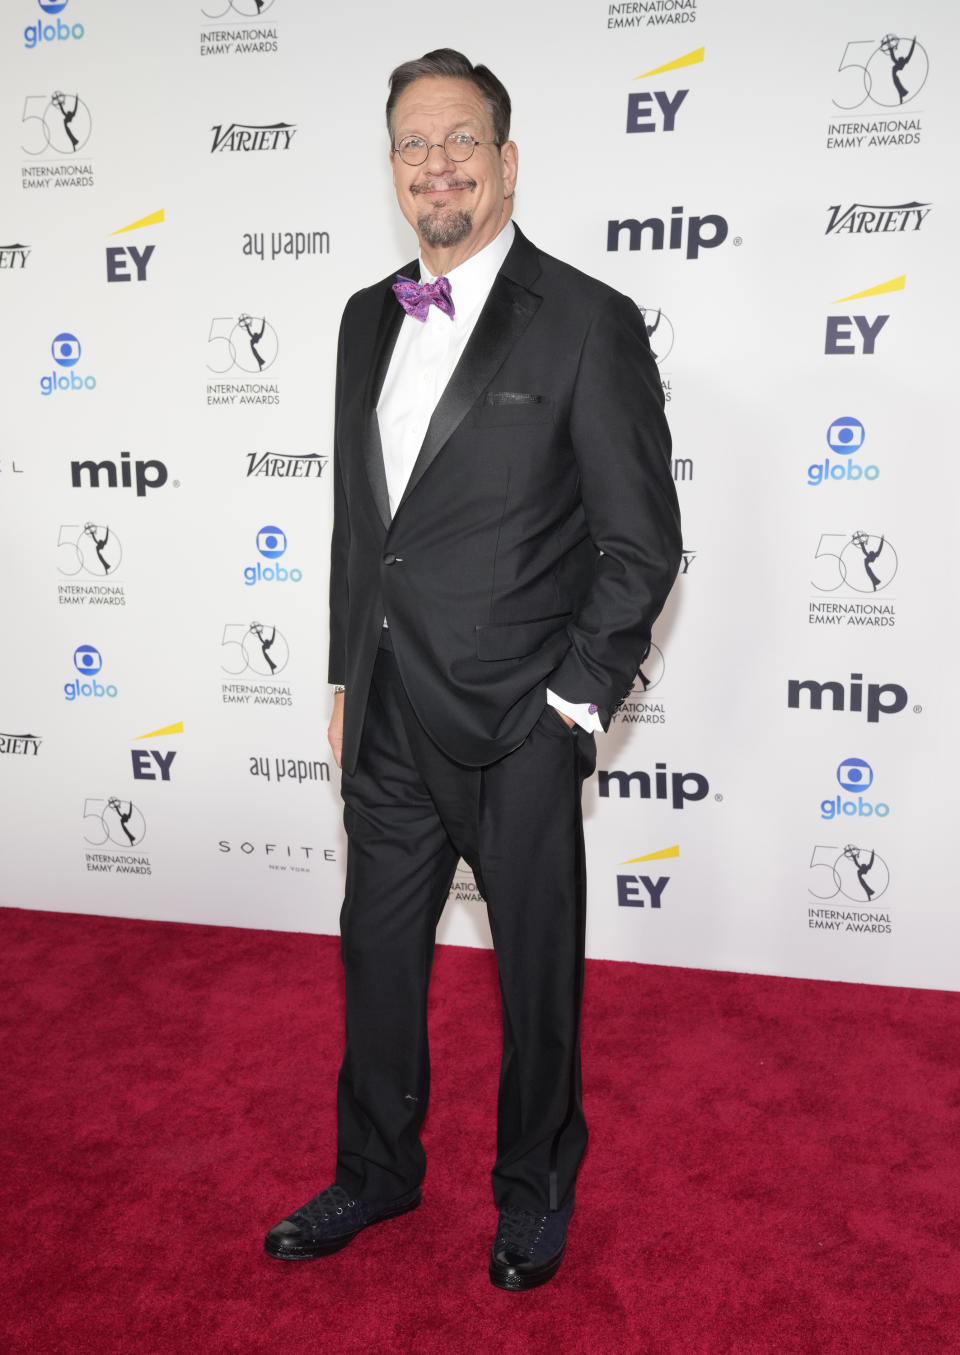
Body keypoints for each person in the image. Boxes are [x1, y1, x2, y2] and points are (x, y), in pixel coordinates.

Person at [265, 48, 681, 1290]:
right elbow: (362, 525)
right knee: (377, 955)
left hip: (516, 717)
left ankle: (535, 1185)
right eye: (411, 144)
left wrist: (573, 698)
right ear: (392, 166)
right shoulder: (362, 316)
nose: (433, 164)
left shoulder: (587, 319)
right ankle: (377, 1168)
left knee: (535, 969)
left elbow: (641, 540)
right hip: (388, 711)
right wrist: (346, 676)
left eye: (459, 141)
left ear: (506, 162)